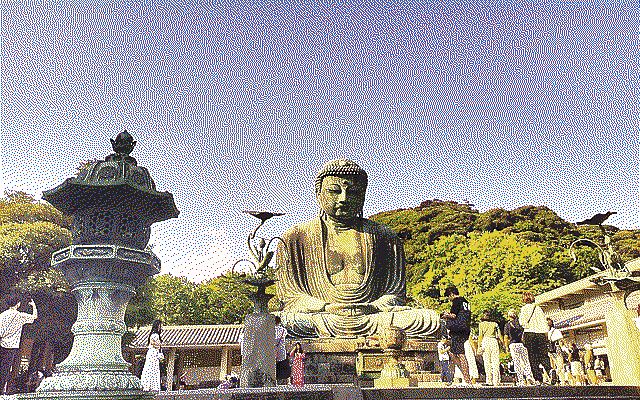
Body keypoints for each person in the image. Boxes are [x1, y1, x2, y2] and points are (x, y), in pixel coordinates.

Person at [275, 159, 440, 338]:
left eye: (353, 192)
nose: (343, 199)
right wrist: (325, 307)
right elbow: (290, 297)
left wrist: (373, 306)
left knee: (427, 320)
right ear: (318, 194)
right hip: (322, 317)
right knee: (283, 321)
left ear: (363, 195)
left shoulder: (385, 237)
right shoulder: (295, 237)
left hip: (372, 316)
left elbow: (396, 294)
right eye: (334, 191)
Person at [0, 293, 37, 395]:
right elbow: (34, 317)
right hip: (11, 346)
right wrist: (33, 306)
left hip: (1, 343)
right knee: (5, 370)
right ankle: (1, 390)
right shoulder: (20, 316)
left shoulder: (2, 315)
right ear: (18, 304)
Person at [441, 285, 472, 385]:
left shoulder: (456, 301)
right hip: (465, 329)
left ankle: (467, 379)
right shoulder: (465, 302)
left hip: (457, 329)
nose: (449, 299)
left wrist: (445, 315)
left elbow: (453, 315)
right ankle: (463, 377)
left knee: (460, 354)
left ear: (451, 294)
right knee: (453, 353)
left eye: (448, 297)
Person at [518, 291, 550, 384]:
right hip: (541, 334)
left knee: (533, 357)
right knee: (544, 355)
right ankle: (550, 370)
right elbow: (545, 323)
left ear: (524, 299)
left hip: (530, 333)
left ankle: (538, 378)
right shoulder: (539, 309)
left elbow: (522, 322)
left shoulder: (524, 309)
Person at [504, 309, 535, 386]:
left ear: (508, 316)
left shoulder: (507, 325)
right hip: (522, 344)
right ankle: (529, 376)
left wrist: (506, 346)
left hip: (513, 344)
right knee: (526, 361)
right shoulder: (520, 323)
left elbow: (506, 336)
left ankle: (521, 380)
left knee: (517, 362)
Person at [477, 309, 503, 386]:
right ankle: (496, 381)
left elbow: (480, 336)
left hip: (485, 341)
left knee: (487, 362)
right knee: (495, 361)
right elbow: (499, 335)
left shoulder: (481, 324)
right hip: (493, 340)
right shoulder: (495, 324)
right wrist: (503, 345)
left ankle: (489, 380)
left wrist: (479, 346)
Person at [140, 320, 163, 391]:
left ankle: (150, 385)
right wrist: (159, 345)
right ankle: (150, 386)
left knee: (152, 368)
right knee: (151, 368)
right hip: (153, 353)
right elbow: (155, 344)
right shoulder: (155, 335)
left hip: (153, 353)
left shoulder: (153, 334)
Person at [547, 318, 565, 385]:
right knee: (560, 365)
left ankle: (559, 380)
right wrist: (564, 348)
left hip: (550, 350)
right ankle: (555, 376)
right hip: (557, 348)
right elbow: (561, 341)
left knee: (554, 365)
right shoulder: (556, 331)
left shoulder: (545, 333)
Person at [274, 316, 290, 384]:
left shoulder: (270, 330)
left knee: (274, 367)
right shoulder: (283, 330)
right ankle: (287, 381)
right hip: (281, 350)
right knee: (284, 365)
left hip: (273, 351)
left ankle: (275, 380)